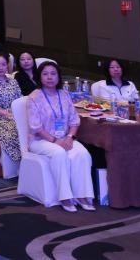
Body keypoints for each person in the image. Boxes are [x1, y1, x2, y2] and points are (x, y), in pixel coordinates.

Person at [26, 61, 94, 212]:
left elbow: (74, 121)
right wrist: (56, 141)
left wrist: (70, 137)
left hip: (64, 137)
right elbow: (36, 127)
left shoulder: (64, 95)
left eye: (53, 74)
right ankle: (64, 197)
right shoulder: (34, 97)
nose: (49, 77)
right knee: (59, 153)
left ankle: (82, 195)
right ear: (39, 77)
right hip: (40, 140)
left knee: (82, 153)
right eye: (45, 74)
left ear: (58, 77)